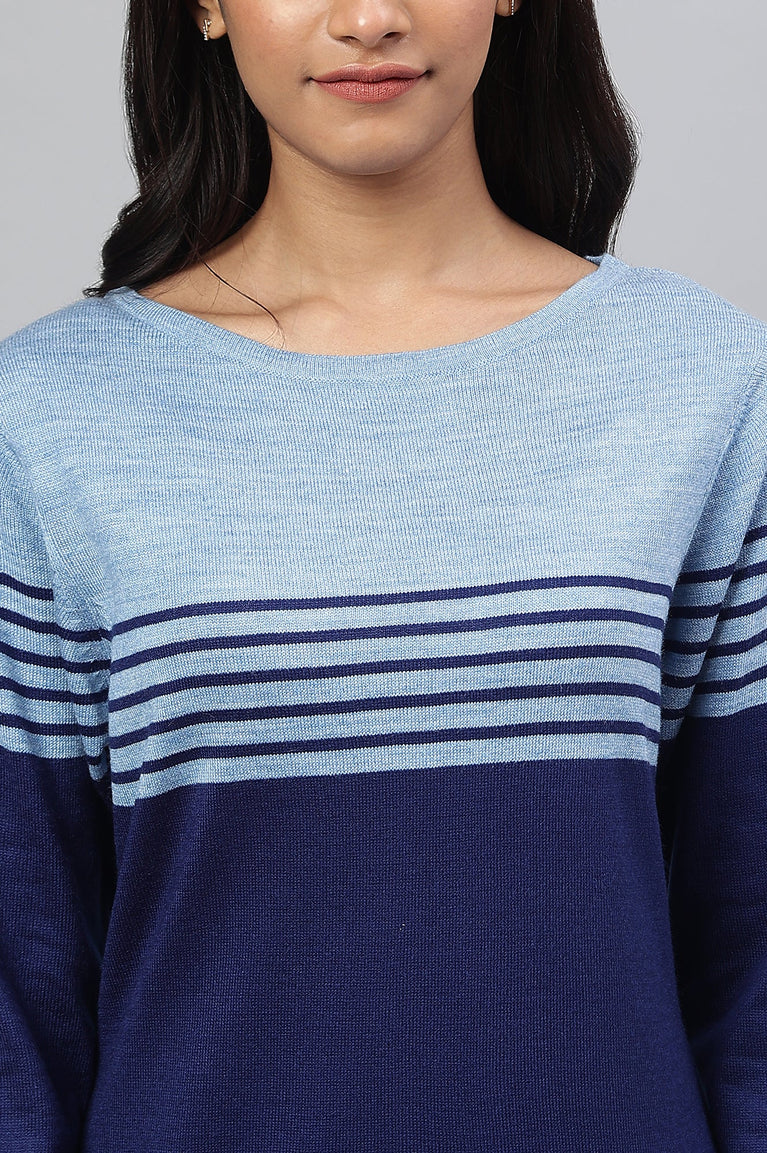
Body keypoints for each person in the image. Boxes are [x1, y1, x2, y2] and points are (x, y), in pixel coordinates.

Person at [0, 0, 765, 1150]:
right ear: (204, 6)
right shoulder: (46, 417)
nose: (369, 19)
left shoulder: (701, 382)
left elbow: (752, 956)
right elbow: (19, 991)